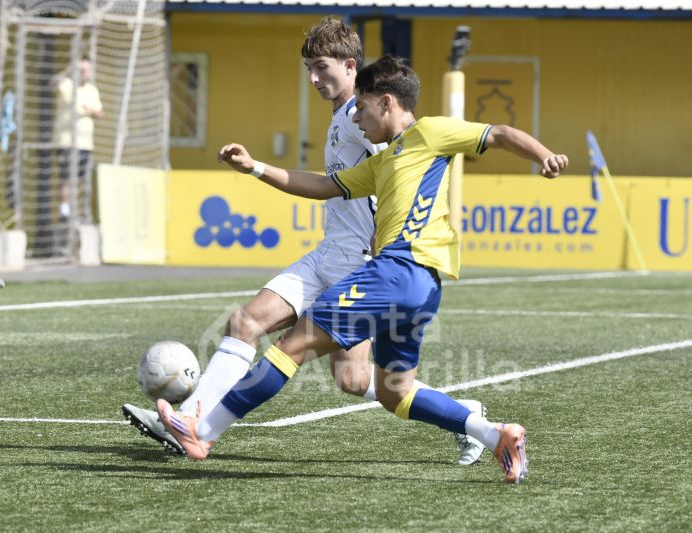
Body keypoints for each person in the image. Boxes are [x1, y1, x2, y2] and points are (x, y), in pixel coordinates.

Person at [158, 55, 569, 483]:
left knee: (292, 346)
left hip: (397, 270)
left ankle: (202, 432)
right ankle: (494, 434)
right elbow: (322, 186)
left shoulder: (429, 132)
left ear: (387, 102)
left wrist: (544, 157)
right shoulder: (384, 161)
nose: (355, 118)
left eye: (362, 107)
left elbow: (498, 133)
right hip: (421, 286)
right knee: (395, 392)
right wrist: (255, 168)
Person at [122, 17, 486, 466]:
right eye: (309, 69)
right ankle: (189, 420)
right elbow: (331, 182)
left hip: (360, 262)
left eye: (321, 67)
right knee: (249, 324)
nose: (314, 78)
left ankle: (465, 415)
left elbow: (395, 171)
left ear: (351, 66)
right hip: (329, 253)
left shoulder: (363, 117)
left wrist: (383, 232)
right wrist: (256, 168)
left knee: (350, 378)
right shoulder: (345, 116)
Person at [54, 58, 102, 222]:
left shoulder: (92, 90)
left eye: (87, 70)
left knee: (80, 178)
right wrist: (69, 68)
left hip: (85, 144)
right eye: (81, 69)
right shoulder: (67, 85)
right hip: (66, 141)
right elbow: (53, 82)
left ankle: (77, 209)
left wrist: (90, 111)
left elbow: (100, 112)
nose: (84, 73)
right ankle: (64, 209)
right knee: (66, 176)